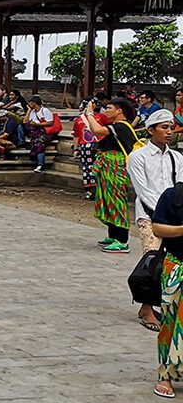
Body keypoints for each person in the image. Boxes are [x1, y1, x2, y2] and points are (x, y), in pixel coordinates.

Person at [126, 109, 182, 331]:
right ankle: (146, 306)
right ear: (151, 130)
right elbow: (143, 189)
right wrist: (161, 213)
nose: (169, 132)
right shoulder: (138, 157)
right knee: (153, 259)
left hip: (176, 215)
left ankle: (168, 302)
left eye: (171, 127)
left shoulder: (177, 157)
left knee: (173, 260)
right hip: (149, 214)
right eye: (164, 127)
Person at [85, 98, 140, 253]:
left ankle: (122, 240)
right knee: (107, 199)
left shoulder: (122, 126)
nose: (105, 111)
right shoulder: (117, 126)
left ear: (119, 111)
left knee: (116, 200)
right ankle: (113, 234)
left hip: (116, 167)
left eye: (108, 108)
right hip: (108, 166)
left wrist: (90, 113)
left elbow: (97, 130)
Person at [150, 175, 183, 399]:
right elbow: (157, 228)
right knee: (170, 320)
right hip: (176, 265)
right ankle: (165, 375)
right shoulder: (173, 196)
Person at [73, 97, 101, 200]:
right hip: (85, 146)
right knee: (87, 169)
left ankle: (100, 190)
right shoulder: (79, 119)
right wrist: (76, 149)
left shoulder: (101, 117)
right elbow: (76, 135)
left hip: (98, 145)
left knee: (99, 168)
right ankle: (90, 191)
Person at [26, 95, 54, 174]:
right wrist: (28, 111)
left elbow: (50, 122)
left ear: (34, 103)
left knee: (39, 143)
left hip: (45, 132)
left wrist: (37, 125)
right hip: (35, 132)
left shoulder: (45, 111)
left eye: (30, 103)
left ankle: (40, 164)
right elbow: (26, 121)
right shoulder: (32, 112)